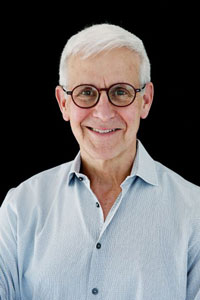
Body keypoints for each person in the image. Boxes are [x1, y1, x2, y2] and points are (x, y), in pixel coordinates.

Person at [0, 23, 200, 300]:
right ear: (63, 104)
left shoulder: (194, 212)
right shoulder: (19, 207)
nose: (103, 114)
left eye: (120, 92)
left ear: (146, 100)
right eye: (85, 92)